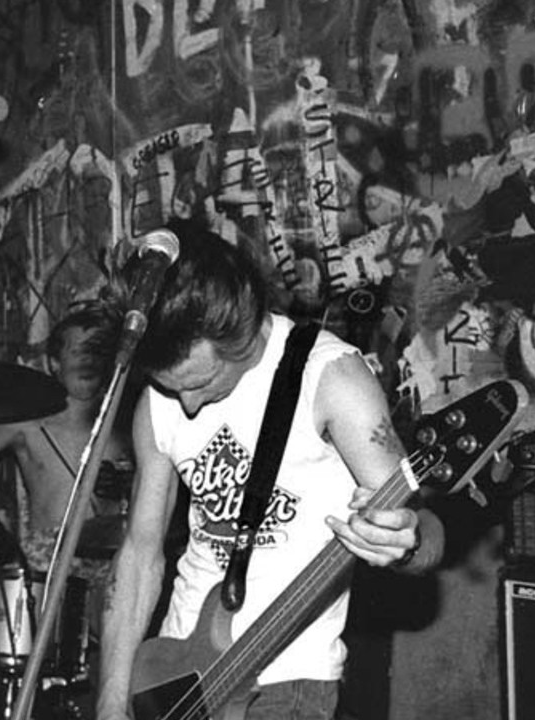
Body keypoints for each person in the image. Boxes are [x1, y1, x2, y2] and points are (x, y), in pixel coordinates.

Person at [96, 221, 445, 720]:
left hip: (286, 681)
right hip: (173, 668)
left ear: (239, 326)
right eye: (172, 388)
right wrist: (111, 702)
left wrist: (406, 539)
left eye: (204, 381)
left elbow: (424, 529)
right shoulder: (160, 401)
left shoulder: (331, 378)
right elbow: (140, 555)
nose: (188, 404)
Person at [0, 302, 134, 581]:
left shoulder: (126, 422)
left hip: (112, 554)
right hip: (49, 558)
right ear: (55, 363)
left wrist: (126, 483)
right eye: (77, 351)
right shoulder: (30, 421)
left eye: (95, 352)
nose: (87, 361)